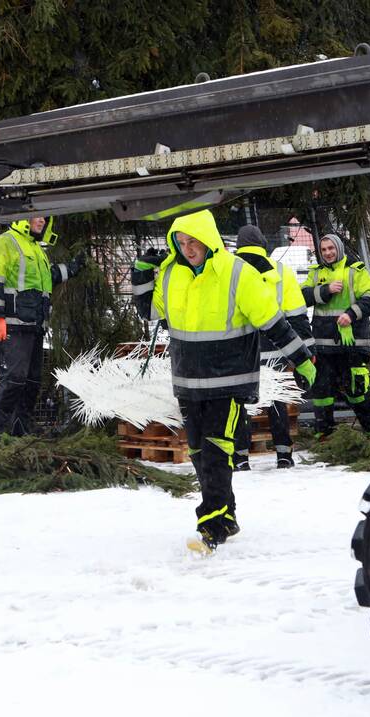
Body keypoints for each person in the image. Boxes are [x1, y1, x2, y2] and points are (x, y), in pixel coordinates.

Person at [132, 209, 316, 549]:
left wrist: (301, 358)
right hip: (188, 381)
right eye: (181, 242)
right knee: (201, 451)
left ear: (209, 240)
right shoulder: (172, 275)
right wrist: (141, 275)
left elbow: (271, 321)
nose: (188, 249)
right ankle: (227, 517)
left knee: (217, 449)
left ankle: (211, 524)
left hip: (229, 381)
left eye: (194, 242)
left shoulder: (237, 274)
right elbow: (150, 312)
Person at [0, 216, 84, 441]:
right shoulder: (4, 242)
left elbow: (47, 277)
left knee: (32, 381)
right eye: (37, 216)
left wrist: (73, 268)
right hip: (11, 326)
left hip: (34, 326)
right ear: (22, 218)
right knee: (14, 379)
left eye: (45, 218)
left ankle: (21, 428)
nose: (42, 221)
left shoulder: (37, 249)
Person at [231, 225, 314, 470]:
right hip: (277, 347)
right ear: (263, 244)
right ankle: (284, 455)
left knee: (243, 404)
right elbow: (298, 316)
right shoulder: (281, 272)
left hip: (241, 351)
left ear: (238, 246)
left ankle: (241, 458)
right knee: (276, 402)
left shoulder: (230, 272)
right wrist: (306, 356)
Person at [301, 233, 370, 439]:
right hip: (323, 344)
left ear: (339, 248)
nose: (327, 253)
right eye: (324, 249)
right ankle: (325, 435)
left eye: (331, 248)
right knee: (321, 392)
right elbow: (302, 297)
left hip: (351, 343)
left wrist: (351, 314)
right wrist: (326, 290)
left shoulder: (356, 271)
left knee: (356, 390)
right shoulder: (316, 273)